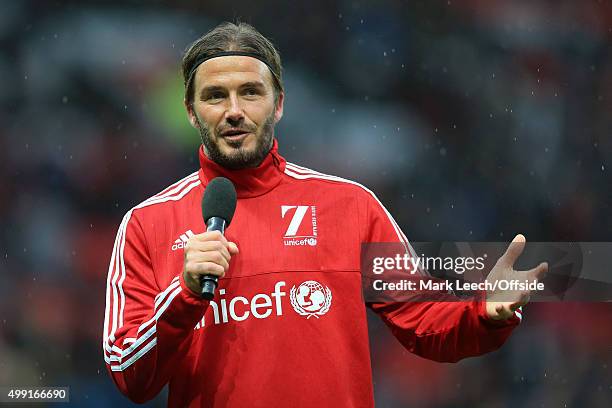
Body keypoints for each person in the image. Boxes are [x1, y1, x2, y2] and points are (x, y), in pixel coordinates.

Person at [102, 22, 548, 407]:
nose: (234, 111)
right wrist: (183, 296)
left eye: (251, 93)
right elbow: (129, 376)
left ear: (278, 103)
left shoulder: (349, 206)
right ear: (191, 111)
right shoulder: (147, 224)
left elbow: (423, 321)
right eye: (215, 96)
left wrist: (484, 313)